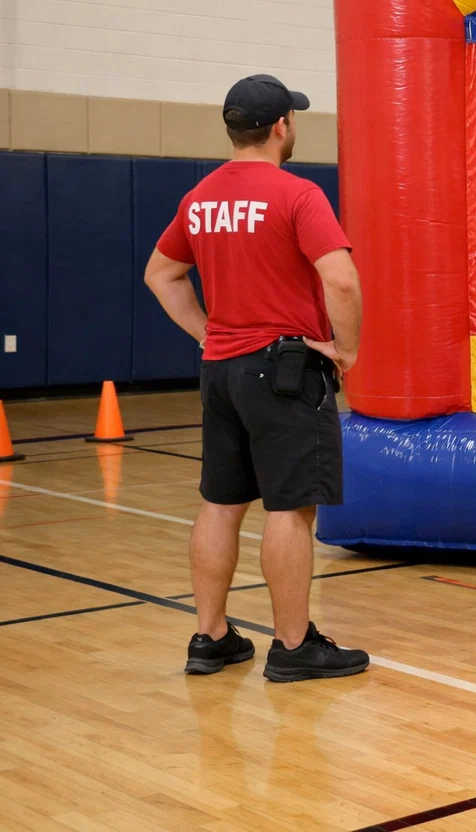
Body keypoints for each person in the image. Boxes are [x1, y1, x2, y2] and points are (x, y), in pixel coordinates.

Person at [144, 74, 369, 682]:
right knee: (291, 509)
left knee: (220, 504)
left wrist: (206, 332)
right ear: (281, 127)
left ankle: (210, 637)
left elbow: (160, 274)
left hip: (221, 370)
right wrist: (345, 350)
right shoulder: (297, 194)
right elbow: (342, 279)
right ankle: (294, 647)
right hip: (286, 370)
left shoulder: (200, 198)